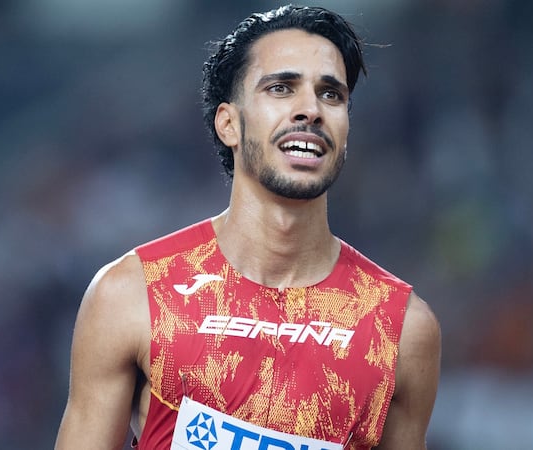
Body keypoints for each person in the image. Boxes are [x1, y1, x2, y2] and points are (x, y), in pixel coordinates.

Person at [55, 5, 440, 449]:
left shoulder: (403, 330)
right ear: (229, 124)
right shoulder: (132, 293)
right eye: (281, 88)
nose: (310, 110)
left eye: (331, 94)